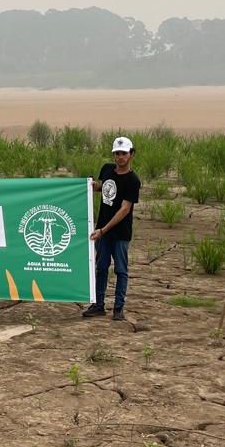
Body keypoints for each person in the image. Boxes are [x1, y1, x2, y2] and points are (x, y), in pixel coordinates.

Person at [84, 135, 141, 321]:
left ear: (131, 154)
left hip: (119, 232)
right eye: (117, 153)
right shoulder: (107, 169)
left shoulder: (133, 181)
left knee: (121, 270)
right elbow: (105, 187)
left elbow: (125, 209)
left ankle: (118, 308)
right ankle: (98, 305)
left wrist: (103, 230)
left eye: (123, 153)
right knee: (101, 267)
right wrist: (94, 186)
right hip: (102, 230)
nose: (119, 157)